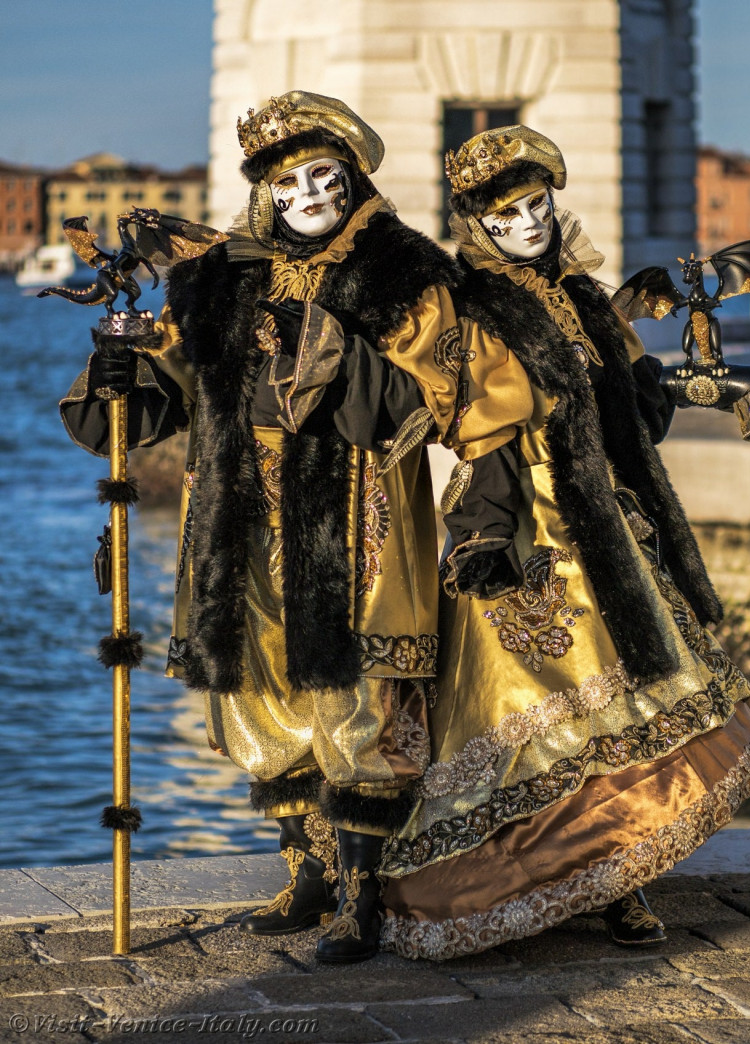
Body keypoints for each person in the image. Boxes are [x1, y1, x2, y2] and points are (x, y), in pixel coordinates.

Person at [60, 91, 463, 964]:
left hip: (359, 515)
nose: (310, 195)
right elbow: (167, 392)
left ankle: (363, 891)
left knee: (360, 699)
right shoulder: (220, 278)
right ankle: (303, 870)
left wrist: (315, 342)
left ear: (352, 177)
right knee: (258, 693)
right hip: (241, 518)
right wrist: (121, 365)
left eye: (326, 177)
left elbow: (425, 397)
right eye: (291, 182)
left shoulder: (405, 273)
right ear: (268, 195)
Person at [379, 125, 750, 960]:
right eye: (508, 213)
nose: (528, 224)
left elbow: (636, 408)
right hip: (523, 527)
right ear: (479, 225)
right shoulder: (472, 310)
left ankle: (622, 879)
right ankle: (534, 880)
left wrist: (713, 383)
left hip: (611, 524)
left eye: (538, 206)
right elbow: (464, 423)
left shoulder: (588, 297)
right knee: (539, 721)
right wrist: (482, 535)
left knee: (631, 713)